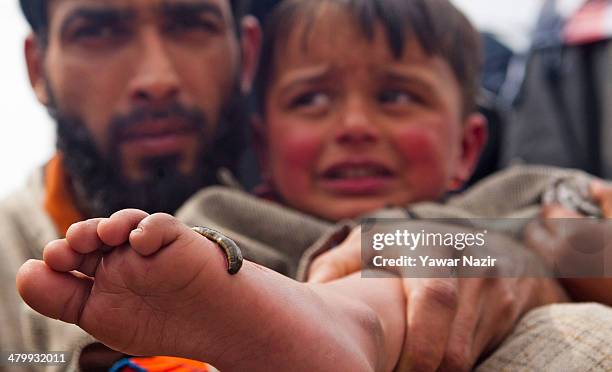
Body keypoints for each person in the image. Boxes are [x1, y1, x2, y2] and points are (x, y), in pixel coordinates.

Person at [20, 0, 612, 371]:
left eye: (397, 96)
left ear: (467, 146)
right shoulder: (225, 218)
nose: (354, 127)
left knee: (404, 255)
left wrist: (555, 246)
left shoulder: (511, 196)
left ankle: (347, 327)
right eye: (312, 100)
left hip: (408, 294)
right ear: (265, 141)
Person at [1, 0, 260, 368]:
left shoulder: (325, 202)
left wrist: (367, 265)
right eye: (97, 32)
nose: (157, 81)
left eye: (191, 25)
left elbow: (372, 249)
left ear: (247, 54)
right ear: (38, 68)